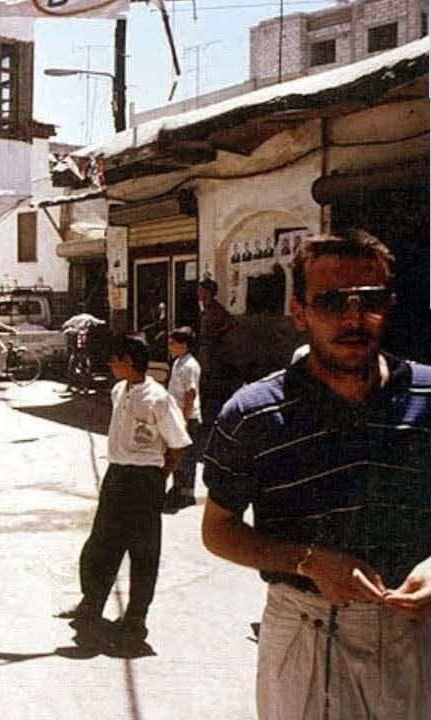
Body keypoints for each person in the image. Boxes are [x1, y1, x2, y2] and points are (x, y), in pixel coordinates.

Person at [200, 230, 430, 720]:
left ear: (388, 307)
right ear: (299, 312)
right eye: (331, 302)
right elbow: (217, 530)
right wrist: (308, 561)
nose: (353, 317)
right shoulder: (253, 414)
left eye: (369, 300)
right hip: (306, 631)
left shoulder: (427, 395)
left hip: (419, 631)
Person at [57, 334, 192, 650]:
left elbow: (178, 444)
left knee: (143, 553)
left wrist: (158, 478)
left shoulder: (157, 398)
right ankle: (92, 603)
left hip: (144, 479)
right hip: (116, 475)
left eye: (116, 359)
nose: (110, 364)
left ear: (130, 362)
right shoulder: (119, 390)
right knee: (100, 546)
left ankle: (135, 620)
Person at [164, 326, 202, 513]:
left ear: (184, 345)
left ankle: (186, 494)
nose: (170, 347)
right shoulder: (179, 362)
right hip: (177, 415)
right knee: (177, 456)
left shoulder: (190, 366)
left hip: (187, 418)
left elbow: (190, 394)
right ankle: (178, 489)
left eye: (173, 343)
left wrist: (185, 421)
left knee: (186, 458)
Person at [196, 277, 238, 428]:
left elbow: (231, 323)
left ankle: (212, 421)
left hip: (213, 355)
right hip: (205, 352)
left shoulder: (216, 310)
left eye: (201, 290)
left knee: (211, 388)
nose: (198, 293)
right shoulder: (206, 309)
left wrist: (216, 338)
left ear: (207, 292)